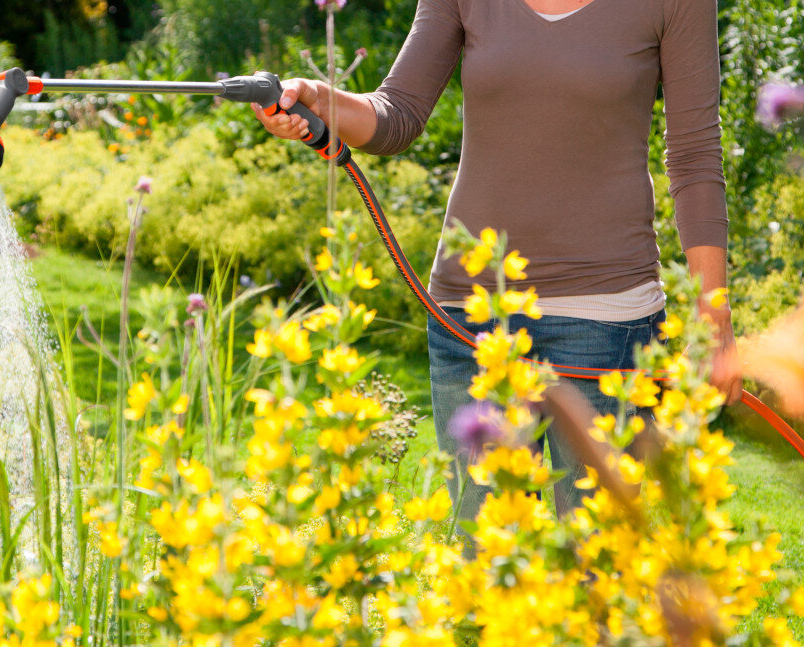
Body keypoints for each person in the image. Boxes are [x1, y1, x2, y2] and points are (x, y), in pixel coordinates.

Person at [253, 0, 741, 535]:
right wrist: (320, 98)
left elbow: (695, 156)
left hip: (605, 323)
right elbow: (398, 115)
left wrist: (712, 316)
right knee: (485, 562)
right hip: (471, 320)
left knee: (598, 566)